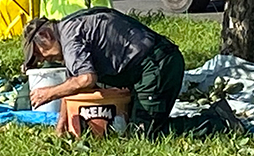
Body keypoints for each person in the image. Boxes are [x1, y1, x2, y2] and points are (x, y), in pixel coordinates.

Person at [22, 7, 185, 137]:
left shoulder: (70, 40)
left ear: (46, 35)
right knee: (129, 126)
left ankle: (207, 124)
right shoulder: (68, 30)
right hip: (144, 65)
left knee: (143, 135)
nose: (41, 60)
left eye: (38, 53)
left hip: (157, 64)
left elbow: (86, 79)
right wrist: (61, 127)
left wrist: (49, 93)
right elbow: (74, 85)